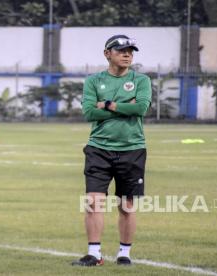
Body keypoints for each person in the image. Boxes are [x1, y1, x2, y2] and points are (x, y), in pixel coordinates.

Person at [72, 34, 152, 266]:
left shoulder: (142, 80)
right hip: (98, 149)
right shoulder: (94, 81)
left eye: (130, 51)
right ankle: (94, 254)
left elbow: (141, 109)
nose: (127, 54)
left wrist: (108, 104)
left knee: (126, 207)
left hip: (132, 149)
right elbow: (89, 112)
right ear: (107, 54)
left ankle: (124, 254)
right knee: (93, 203)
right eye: (121, 51)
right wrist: (126, 106)